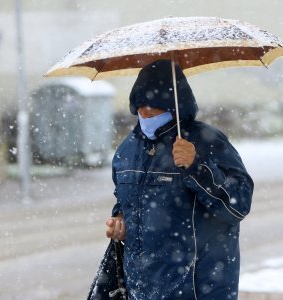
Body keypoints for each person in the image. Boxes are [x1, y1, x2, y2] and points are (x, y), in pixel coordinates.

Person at [105, 59, 253, 300]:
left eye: (154, 105)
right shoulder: (127, 149)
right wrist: (120, 220)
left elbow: (238, 205)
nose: (145, 112)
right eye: (139, 104)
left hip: (197, 290)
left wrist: (196, 167)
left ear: (174, 104)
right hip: (141, 290)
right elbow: (126, 202)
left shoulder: (207, 141)